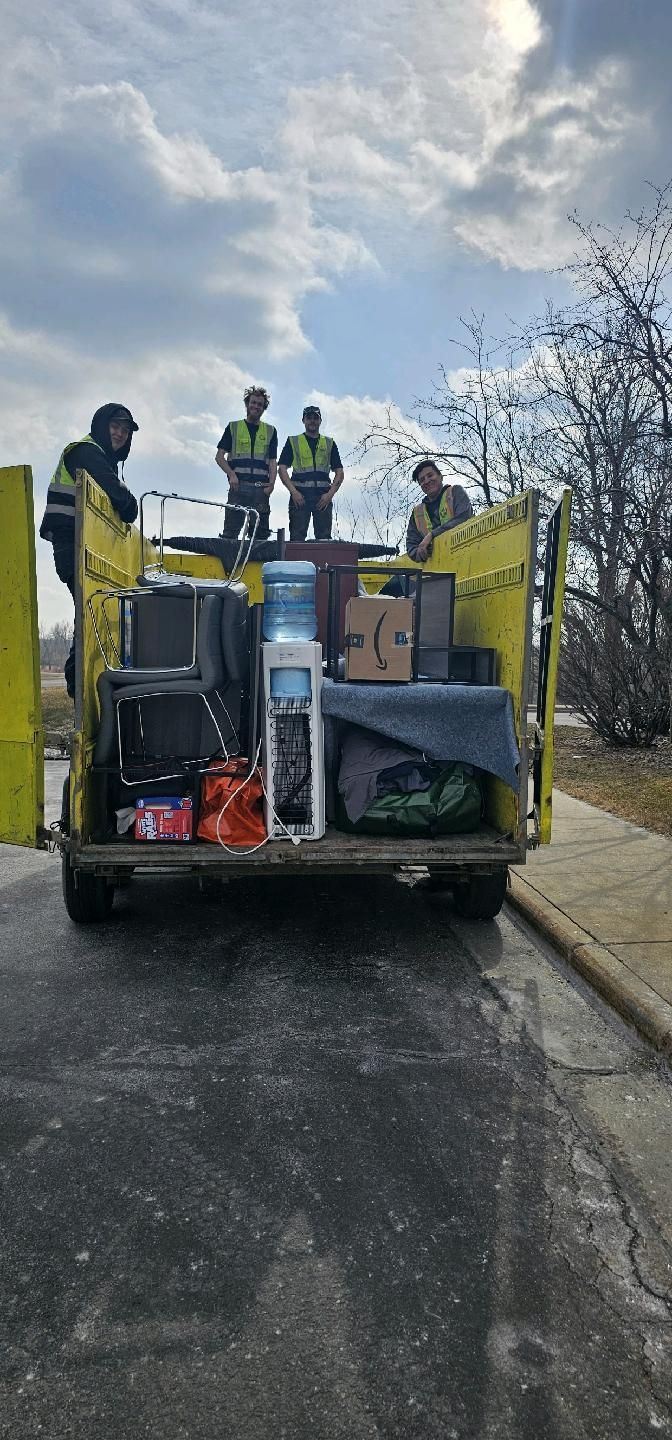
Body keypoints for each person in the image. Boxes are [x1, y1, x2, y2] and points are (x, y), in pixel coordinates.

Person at [40, 404, 139, 698]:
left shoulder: (101, 458)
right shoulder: (85, 452)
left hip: (84, 548)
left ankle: (79, 685)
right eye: (115, 426)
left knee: (89, 613)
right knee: (87, 615)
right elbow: (123, 500)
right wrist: (126, 500)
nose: (120, 433)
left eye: (125, 430)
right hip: (72, 545)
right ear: (101, 425)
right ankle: (76, 686)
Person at [215, 386, 278, 541]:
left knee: (260, 537)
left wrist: (271, 485)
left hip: (260, 490)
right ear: (247, 404)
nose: (256, 406)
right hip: (238, 488)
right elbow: (219, 457)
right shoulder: (233, 427)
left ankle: (255, 565)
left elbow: (272, 461)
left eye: (260, 404)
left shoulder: (270, 431)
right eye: (253, 403)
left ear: (264, 408)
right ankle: (229, 563)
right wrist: (231, 475)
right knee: (230, 534)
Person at [278, 405, 344, 541]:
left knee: (324, 539)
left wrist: (329, 495)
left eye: (315, 418)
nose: (312, 421)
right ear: (303, 420)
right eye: (309, 418)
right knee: (297, 538)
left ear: (320, 421)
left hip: (322, 497)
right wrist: (293, 492)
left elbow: (339, 472)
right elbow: (282, 468)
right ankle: (297, 562)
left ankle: (323, 562)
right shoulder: (293, 441)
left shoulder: (329, 443)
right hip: (300, 496)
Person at [405, 460, 472, 562]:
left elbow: (464, 519)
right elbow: (411, 546)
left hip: (465, 559)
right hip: (436, 572)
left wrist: (432, 535)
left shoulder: (455, 492)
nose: (426, 481)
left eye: (430, 475)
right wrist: (421, 553)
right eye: (422, 480)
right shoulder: (417, 513)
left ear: (441, 476)